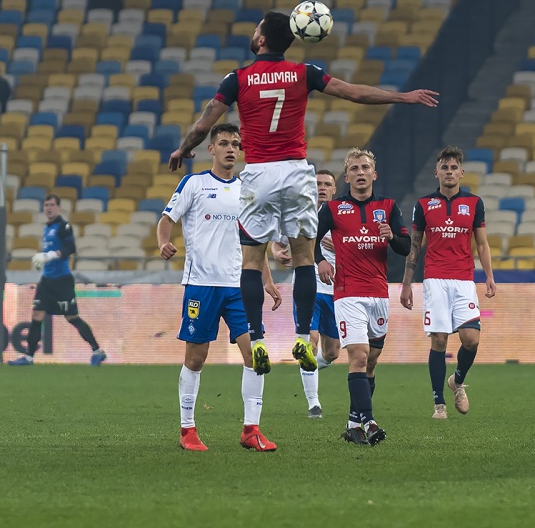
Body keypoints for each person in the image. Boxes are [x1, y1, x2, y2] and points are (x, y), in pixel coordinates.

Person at [167, 11, 437, 380]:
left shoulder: (237, 79)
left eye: (257, 28)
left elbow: (203, 124)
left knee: (251, 261)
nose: (254, 32)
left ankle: (257, 339)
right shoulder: (303, 72)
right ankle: (300, 338)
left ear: (262, 39)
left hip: (258, 173)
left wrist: (183, 149)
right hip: (296, 173)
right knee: (304, 258)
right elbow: (354, 92)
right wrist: (402, 97)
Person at [157, 123, 281, 452]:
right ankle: (187, 430)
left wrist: (267, 279)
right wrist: (164, 242)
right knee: (196, 359)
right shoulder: (194, 184)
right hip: (202, 285)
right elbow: (166, 219)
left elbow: (254, 242)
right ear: (211, 149)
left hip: (240, 287)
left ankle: (251, 430)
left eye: (236, 144)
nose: (230, 149)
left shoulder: (248, 191)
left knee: (256, 355)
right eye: (224, 143)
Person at [314, 149, 411, 445]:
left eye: (365, 167)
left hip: (379, 292)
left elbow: (406, 247)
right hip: (347, 293)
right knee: (358, 355)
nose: (360, 172)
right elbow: (310, 239)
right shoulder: (333, 209)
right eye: (354, 168)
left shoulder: (389, 206)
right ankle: (369, 422)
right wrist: (321, 260)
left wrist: (392, 237)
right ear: (346, 177)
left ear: (374, 174)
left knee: (370, 362)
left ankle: (353, 423)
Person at [400, 146, 496, 419]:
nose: (449, 172)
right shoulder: (423, 205)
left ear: (461, 173)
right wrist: (406, 284)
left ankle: (457, 380)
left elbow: (482, 244)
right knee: (439, 340)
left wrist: (489, 276)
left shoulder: (475, 203)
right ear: (437, 173)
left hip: (464, 279)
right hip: (435, 279)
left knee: (471, 339)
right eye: (445, 167)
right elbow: (415, 246)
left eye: (454, 168)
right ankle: (439, 404)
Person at [273, 169, 342, 418]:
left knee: (332, 352)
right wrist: (277, 253)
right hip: (307, 287)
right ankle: (314, 404)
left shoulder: (343, 216)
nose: (322, 188)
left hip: (337, 291)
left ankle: (307, 369)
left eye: (327, 184)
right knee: (309, 341)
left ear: (334, 189)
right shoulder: (299, 214)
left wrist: (341, 247)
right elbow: (277, 241)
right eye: (318, 184)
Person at [8, 195, 107, 366]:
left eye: (52, 205)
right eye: (46, 205)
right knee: (37, 315)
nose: (48, 208)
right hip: (46, 280)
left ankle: (98, 351)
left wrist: (50, 255)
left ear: (59, 208)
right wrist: (44, 260)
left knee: (72, 317)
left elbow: (70, 248)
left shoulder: (64, 226)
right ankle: (28, 357)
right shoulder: (47, 228)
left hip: (62, 280)